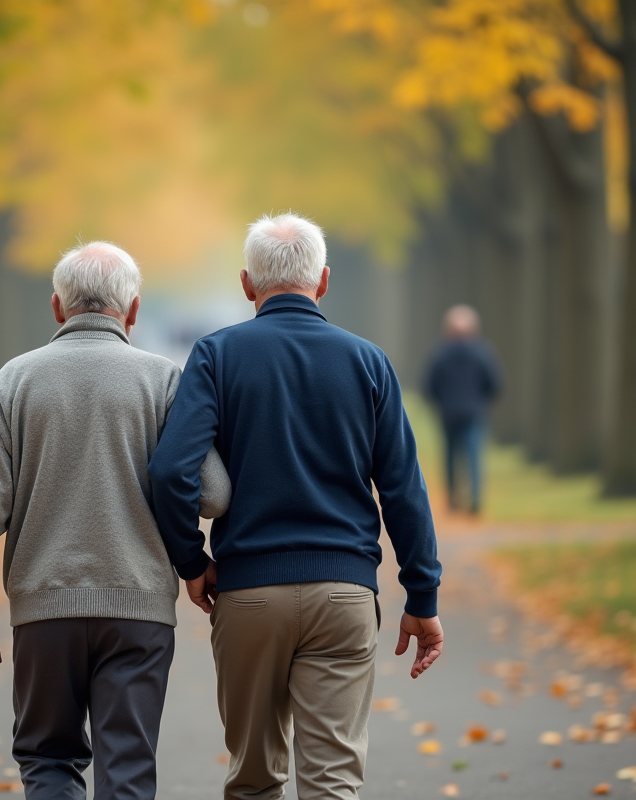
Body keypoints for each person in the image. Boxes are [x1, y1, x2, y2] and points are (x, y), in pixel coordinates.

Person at [148, 213, 444, 800]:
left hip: (249, 592)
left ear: (247, 283)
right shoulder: (369, 362)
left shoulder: (215, 356)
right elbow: (403, 488)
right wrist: (423, 595)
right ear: (324, 280)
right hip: (345, 591)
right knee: (332, 781)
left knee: (254, 779)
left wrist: (191, 560)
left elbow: (170, 471)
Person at [0, 241, 231, 800]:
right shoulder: (164, 381)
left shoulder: (14, 382)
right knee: (127, 768)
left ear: (57, 307)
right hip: (139, 608)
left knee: (47, 760)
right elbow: (215, 493)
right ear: (132, 310)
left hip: (43, 606)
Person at [423, 304, 502, 514]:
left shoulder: (439, 355)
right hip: (474, 413)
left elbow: (430, 386)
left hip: (448, 413)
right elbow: (494, 383)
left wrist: (441, 402)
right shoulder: (482, 353)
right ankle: (475, 499)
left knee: (450, 457)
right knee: (473, 457)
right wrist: (481, 400)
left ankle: (453, 500)